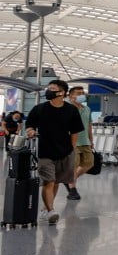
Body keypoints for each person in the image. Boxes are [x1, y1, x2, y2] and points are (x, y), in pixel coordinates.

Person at [24, 80, 84, 225]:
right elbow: (29, 124)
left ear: (61, 93)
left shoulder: (71, 110)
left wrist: (72, 149)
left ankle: (45, 209)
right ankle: (51, 211)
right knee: (48, 181)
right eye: (48, 88)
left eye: (52, 88)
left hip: (64, 152)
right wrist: (30, 130)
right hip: (45, 152)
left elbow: (75, 131)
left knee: (56, 182)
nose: (48, 91)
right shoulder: (40, 109)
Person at [64, 86, 93, 200]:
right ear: (71, 95)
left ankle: (69, 179)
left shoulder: (87, 109)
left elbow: (89, 126)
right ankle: (72, 190)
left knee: (89, 164)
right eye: (78, 93)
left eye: (82, 93)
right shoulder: (66, 108)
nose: (81, 95)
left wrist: (91, 140)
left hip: (85, 141)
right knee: (73, 165)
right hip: (71, 142)